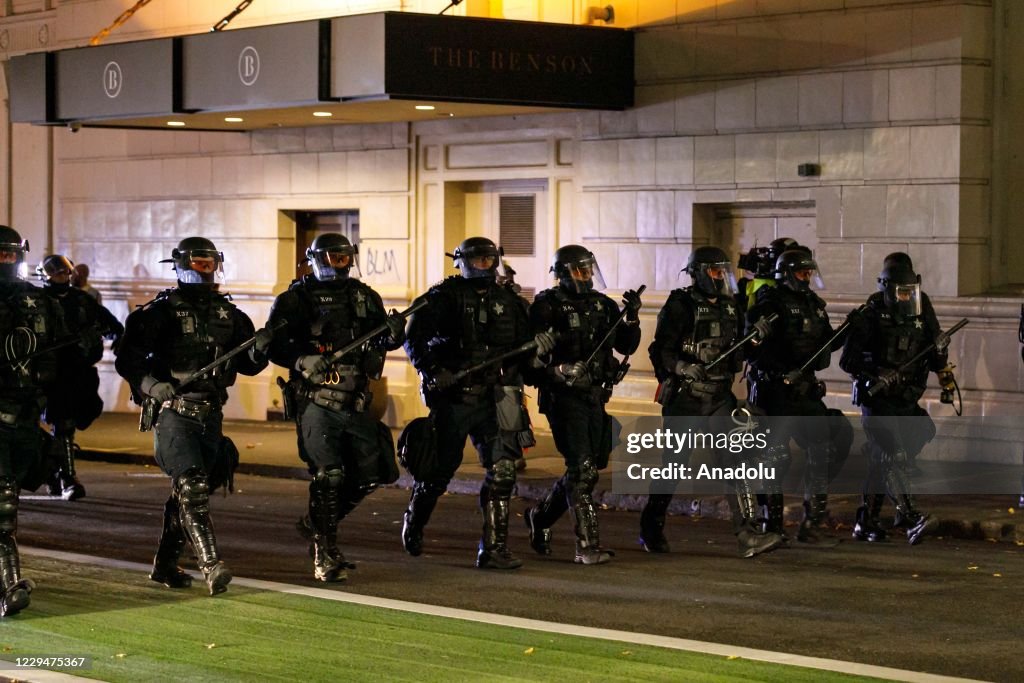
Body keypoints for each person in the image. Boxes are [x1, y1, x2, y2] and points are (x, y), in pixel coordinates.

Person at [115, 237, 270, 595]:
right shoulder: (159, 313)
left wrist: (260, 351)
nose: (206, 270)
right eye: (199, 263)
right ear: (182, 265)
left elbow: (246, 365)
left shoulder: (229, 315)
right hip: (175, 413)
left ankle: (165, 563)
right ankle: (211, 564)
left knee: (186, 494)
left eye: (210, 263)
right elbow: (129, 358)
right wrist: (152, 385)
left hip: (211, 414)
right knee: (193, 486)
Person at [403, 237, 555, 569]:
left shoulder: (511, 302)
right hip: (458, 396)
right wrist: (433, 371)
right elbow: (413, 338)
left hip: (501, 396)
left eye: (490, 260)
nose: (485, 266)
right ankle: (414, 521)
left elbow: (525, 354)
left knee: (503, 472)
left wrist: (539, 352)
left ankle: (494, 548)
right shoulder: (442, 297)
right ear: (462, 261)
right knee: (439, 473)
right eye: (478, 260)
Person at [265, 233, 406, 582]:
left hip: (356, 402)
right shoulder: (295, 299)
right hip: (316, 400)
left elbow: (381, 341)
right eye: (333, 258)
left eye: (344, 258)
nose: (339, 264)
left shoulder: (363, 296)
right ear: (315, 259)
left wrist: (394, 333)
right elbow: (273, 344)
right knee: (329, 476)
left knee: (370, 475)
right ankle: (324, 553)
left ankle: (315, 523)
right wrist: (300, 359)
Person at [642, 246, 783, 558]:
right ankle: (651, 524)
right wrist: (681, 367)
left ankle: (747, 534)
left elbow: (741, 353)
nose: (721, 277)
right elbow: (660, 350)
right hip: (687, 399)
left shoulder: (731, 307)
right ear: (699, 273)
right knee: (674, 467)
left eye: (724, 271)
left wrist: (757, 337)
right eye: (716, 271)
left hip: (721, 397)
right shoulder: (680, 304)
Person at [524, 245, 641, 565]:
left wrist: (631, 319)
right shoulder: (547, 306)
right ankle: (587, 545)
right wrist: (556, 370)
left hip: (595, 395)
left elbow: (625, 345)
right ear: (562, 274)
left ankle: (541, 517)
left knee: (588, 468)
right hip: (563, 398)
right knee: (583, 469)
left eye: (589, 269)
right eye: (579, 270)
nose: (586, 275)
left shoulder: (602, 305)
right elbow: (529, 360)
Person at [840, 259, 950, 544]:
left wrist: (944, 373)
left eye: (910, 292)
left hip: (906, 399)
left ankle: (866, 522)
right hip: (878, 400)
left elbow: (934, 344)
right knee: (894, 455)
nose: (906, 298)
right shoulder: (871, 312)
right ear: (888, 288)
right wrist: (877, 372)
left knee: (916, 436)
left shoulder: (921, 304)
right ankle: (911, 516)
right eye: (901, 292)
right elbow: (847, 361)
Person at [745, 249, 849, 545]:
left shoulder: (814, 305)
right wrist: (776, 365)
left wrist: (848, 329)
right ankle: (772, 524)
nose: (808, 278)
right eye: (803, 273)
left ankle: (812, 522)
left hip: (804, 391)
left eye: (809, 273)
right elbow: (752, 350)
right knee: (774, 458)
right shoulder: (770, 302)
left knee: (823, 449)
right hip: (776, 392)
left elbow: (825, 345)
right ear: (788, 274)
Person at [0, 226, 67, 616]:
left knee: (9, 502)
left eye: (11, 254)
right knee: (3, 507)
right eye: (1, 255)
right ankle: (10, 585)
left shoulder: (39, 302)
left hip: (25, 418)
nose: (7, 261)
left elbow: (64, 355)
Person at [37, 254, 124, 500]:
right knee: (60, 424)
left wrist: (116, 339)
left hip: (79, 372)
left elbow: (111, 325)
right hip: (49, 374)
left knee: (79, 417)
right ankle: (66, 476)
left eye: (65, 273)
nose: (62, 277)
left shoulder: (82, 300)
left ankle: (54, 469)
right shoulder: (36, 302)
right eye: (57, 274)